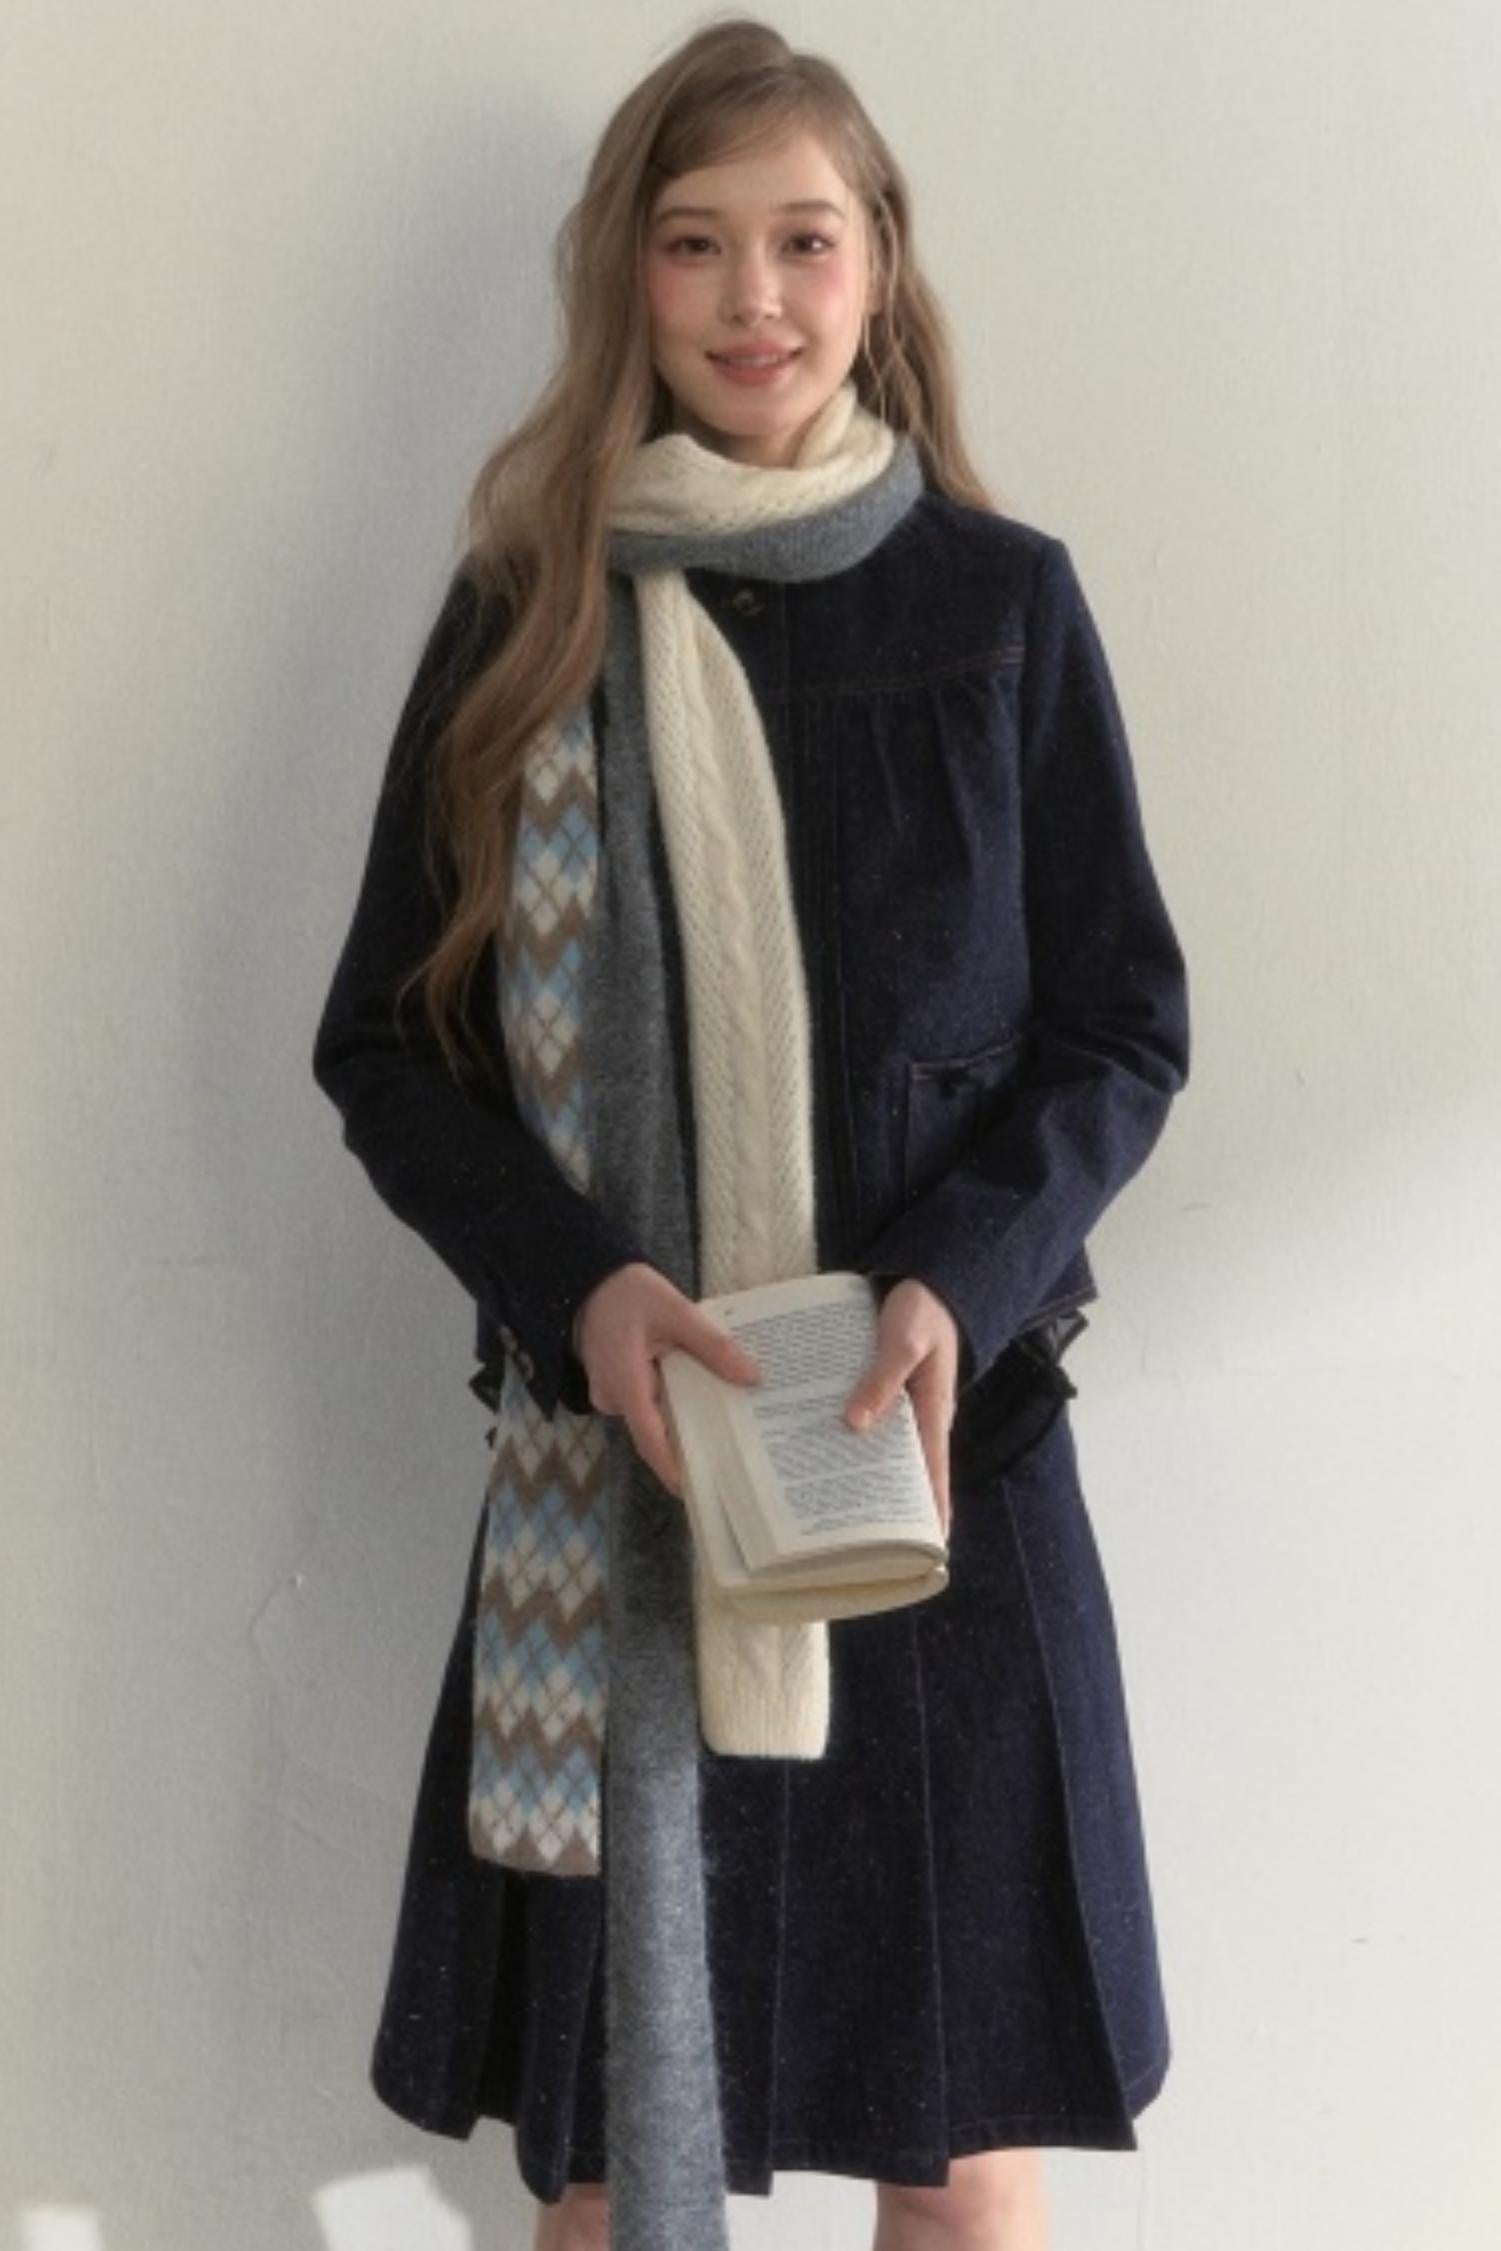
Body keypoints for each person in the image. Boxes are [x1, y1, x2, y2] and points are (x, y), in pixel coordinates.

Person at [310, 18, 1190, 2251]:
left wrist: (952, 1285)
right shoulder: (526, 621)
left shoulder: (1000, 608)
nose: (752, 297)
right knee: (619, 2156)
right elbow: (388, 1049)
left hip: (940, 1484)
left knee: (957, 2154)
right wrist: (579, 1287)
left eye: (801, 240)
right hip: (629, 1487)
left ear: (879, 262)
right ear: (629, 275)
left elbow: (1118, 1027)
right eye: (694, 245)